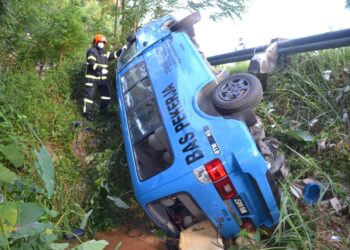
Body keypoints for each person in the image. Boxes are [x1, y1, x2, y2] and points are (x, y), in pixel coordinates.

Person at [83, 34, 122, 121]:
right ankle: (87, 113)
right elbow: (91, 62)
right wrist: (101, 69)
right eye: (101, 42)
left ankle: (103, 111)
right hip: (92, 78)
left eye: (103, 43)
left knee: (106, 96)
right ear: (96, 42)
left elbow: (114, 55)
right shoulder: (91, 51)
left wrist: (123, 49)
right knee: (89, 97)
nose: (102, 44)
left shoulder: (104, 52)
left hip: (102, 80)